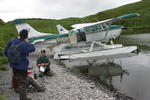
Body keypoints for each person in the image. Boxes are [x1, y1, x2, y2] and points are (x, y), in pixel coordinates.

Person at [4, 29, 35, 100]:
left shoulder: (11, 41)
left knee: (16, 77)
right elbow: (33, 48)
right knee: (23, 83)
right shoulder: (25, 44)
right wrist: (27, 42)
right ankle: (23, 98)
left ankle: (16, 88)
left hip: (13, 65)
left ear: (19, 34)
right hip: (22, 66)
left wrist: (11, 59)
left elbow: (5, 52)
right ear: (26, 36)